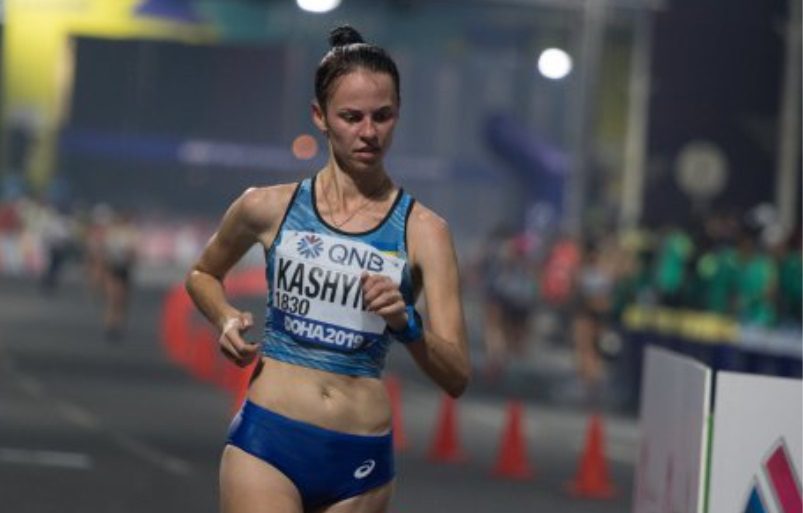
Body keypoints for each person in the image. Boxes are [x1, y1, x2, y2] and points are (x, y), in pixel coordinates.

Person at [186, 25, 470, 513]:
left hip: (360, 460)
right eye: (351, 117)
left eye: (382, 116)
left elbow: (457, 376)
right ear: (320, 116)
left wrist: (406, 322)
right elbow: (202, 274)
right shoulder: (266, 206)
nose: (369, 132)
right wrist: (225, 318)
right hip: (269, 442)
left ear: (398, 113)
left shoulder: (426, 232)